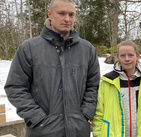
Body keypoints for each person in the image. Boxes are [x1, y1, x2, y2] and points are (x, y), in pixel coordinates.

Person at [4, 0, 100, 136]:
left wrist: (85, 114)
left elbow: (93, 86)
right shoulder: (29, 48)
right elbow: (15, 88)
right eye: (61, 13)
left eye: (71, 15)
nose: (67, 19)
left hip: (78, 130)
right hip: (42, 131)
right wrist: (36, 117)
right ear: (49, 14)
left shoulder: (87, 49)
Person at [92, 40, 141, 137]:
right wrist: (98, 134)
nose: (127, 59)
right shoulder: (107, 83)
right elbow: (98, 114)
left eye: (131, 55)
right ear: (118, 57)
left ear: (137, 56)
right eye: (123, 55)